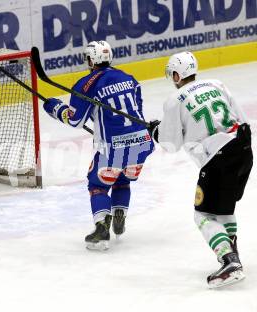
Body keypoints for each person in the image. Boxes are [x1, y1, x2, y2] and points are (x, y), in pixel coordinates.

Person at [148, 51, 253, 288]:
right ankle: (230, 248)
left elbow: (170, 144)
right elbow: (244, 119)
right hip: (244, 149)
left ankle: (229, 260)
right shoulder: (217, 84)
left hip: (219, 158)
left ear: (176, 74)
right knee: (224, 208)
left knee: (203, 214)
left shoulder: (175, 100)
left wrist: (156, 131)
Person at [43, 41, 154, 250]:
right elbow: (135, 110)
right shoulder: (129, 78)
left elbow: (75, 120)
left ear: (91, 59)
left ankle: (102, 229)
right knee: (122, 178)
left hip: (113, 148)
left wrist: (55, 107)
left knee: (98, 185)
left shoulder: (86, 84)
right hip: (142, 142)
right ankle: (120, 211)